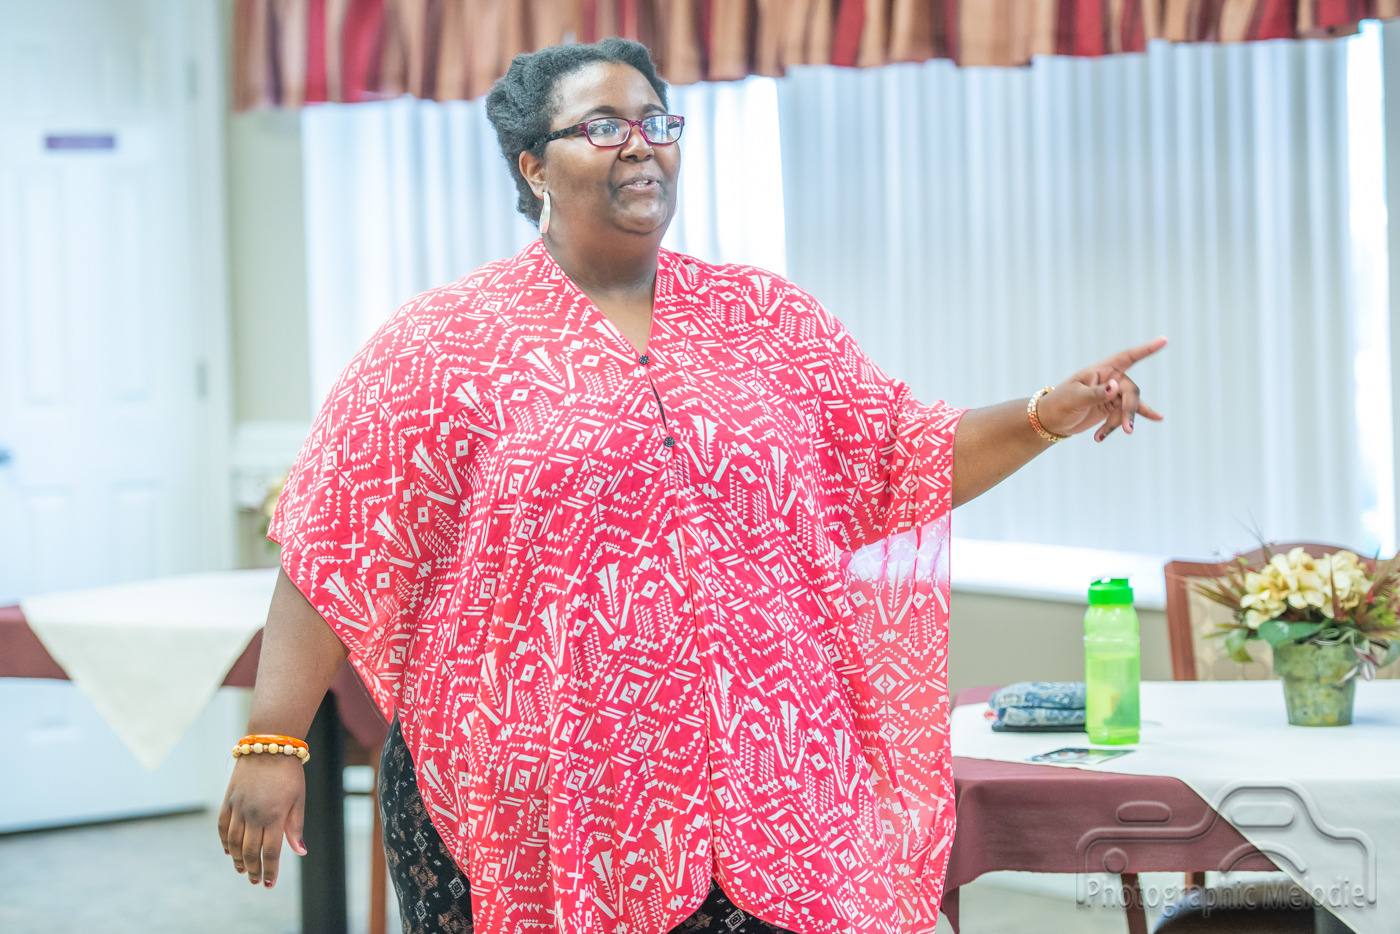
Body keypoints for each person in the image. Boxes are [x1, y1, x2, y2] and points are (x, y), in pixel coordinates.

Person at [218, 37, 1165, 934]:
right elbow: (336, 541)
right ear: (532, 166)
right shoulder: (443, 342)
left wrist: (1047, 414)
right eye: (603, 126)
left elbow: (900, 457)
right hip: (536, 801)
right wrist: (273, 740)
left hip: (775, 785)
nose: (641, 145)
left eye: (656, 122)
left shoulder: (766, 319)